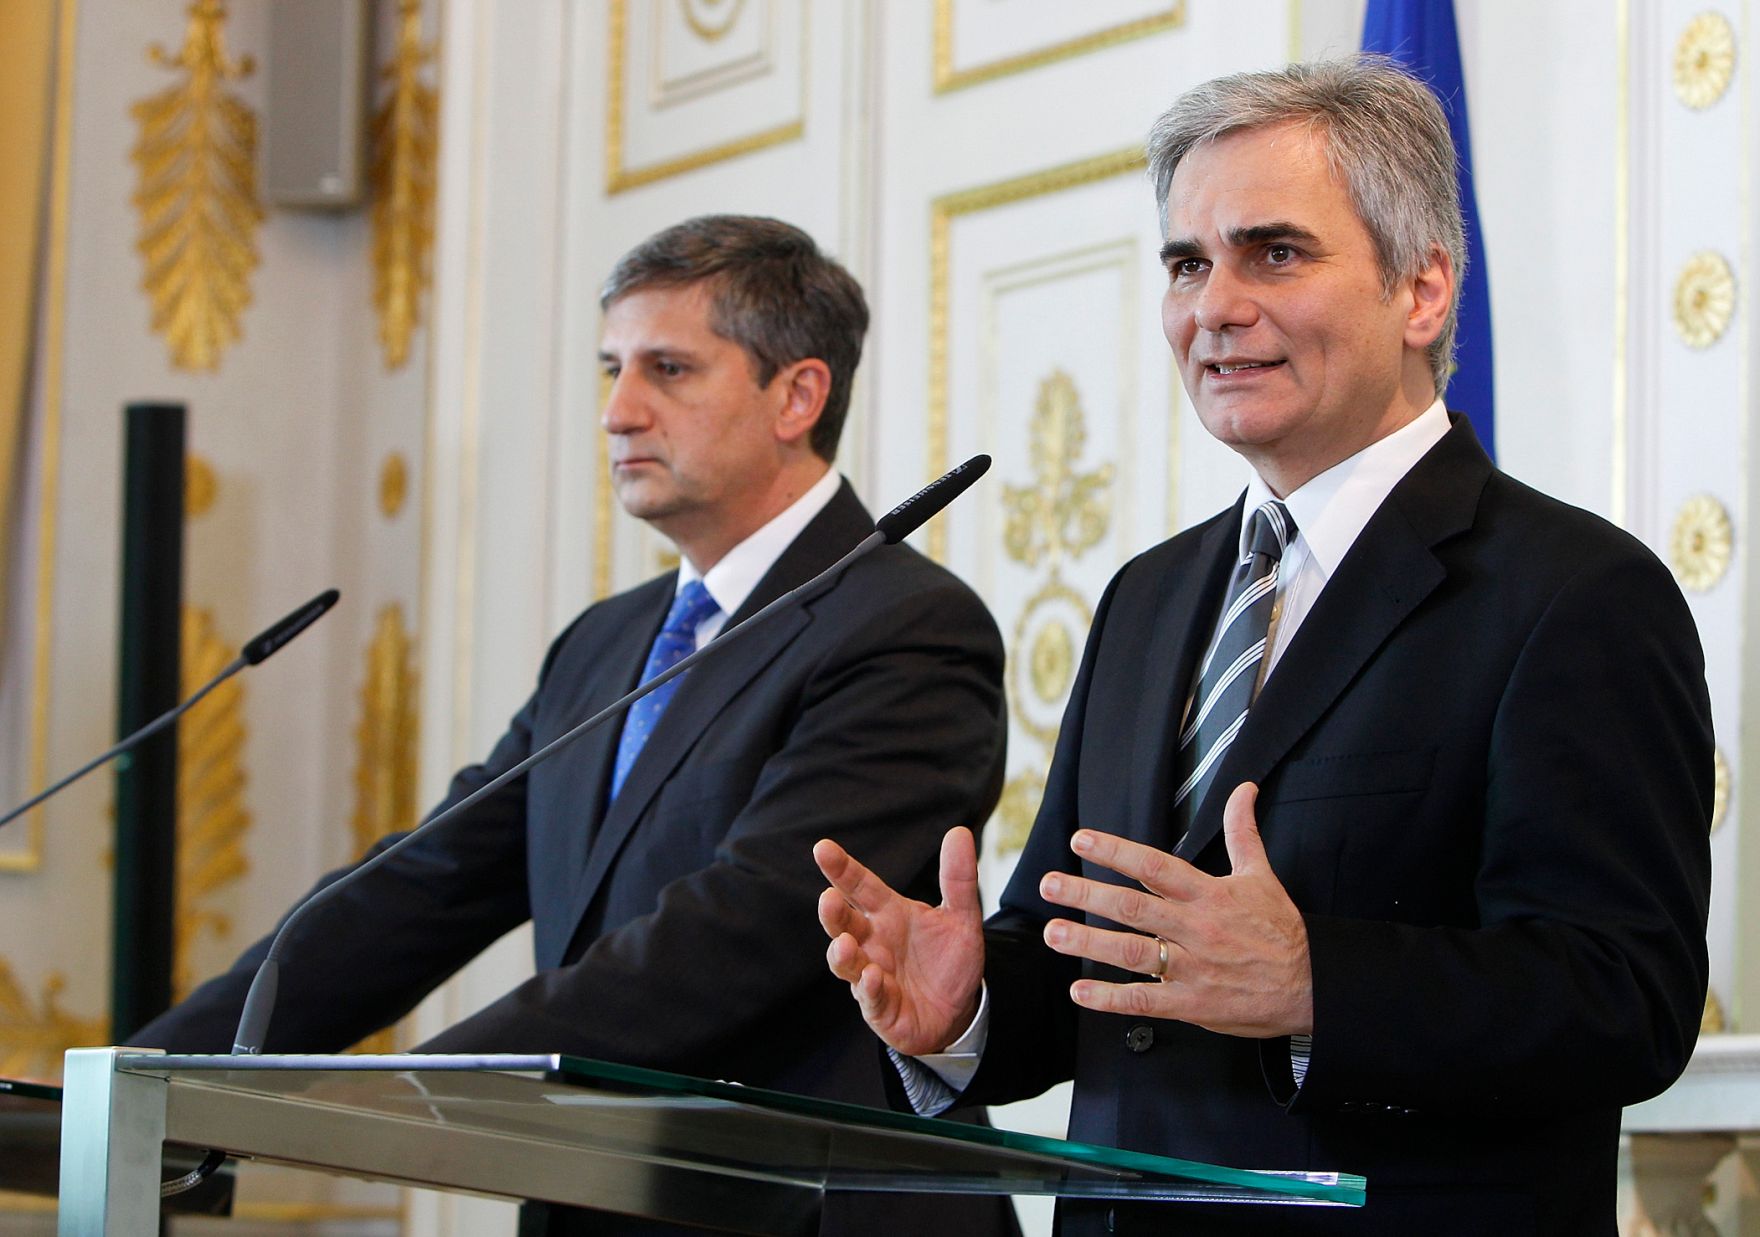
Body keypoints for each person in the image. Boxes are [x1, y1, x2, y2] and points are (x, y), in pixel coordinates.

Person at [816, 58, 1712, 1236]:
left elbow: (1626, 997)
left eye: (1272, 253)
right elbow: (1094, 954)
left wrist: (1313, 984)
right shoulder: (1147, 594)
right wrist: (971, 1001)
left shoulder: (1574, 592)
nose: (1213, 306)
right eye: (1186, 264)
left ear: (1423, 290)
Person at [135, 215, 1019, 1237]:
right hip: (598, 1202)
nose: (616, 411)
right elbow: (428, 882)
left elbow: (746, 925)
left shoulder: (906, 625)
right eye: (610, 369)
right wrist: (160, 1072)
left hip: (803, 1209)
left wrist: (429, 1088)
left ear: (797, 395)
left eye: (668, 370)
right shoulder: (605, 642)